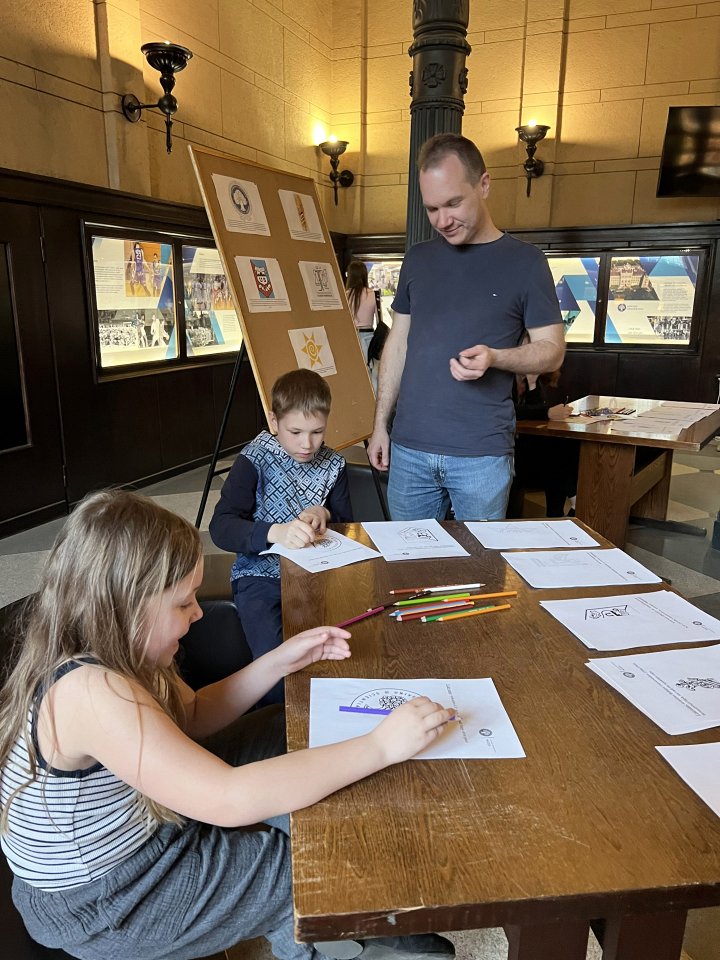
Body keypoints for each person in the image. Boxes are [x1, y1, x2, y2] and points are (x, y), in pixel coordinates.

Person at [0, 490, 455, 960]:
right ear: (127, 605)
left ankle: (344, 880)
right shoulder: (93, 691)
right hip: (107, 901)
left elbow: (193, 717)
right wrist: (380, 747)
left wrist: (277, 662)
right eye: (182, 603)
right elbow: (227, 799)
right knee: (301, 872)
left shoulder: (121, 647)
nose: (197, 612)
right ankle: (337, 933)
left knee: (281, 726)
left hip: (139, 834)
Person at [367, 133, 566, 522]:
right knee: (410, 567)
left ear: (484, 185)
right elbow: (397, 344)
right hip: (409, 450)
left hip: (482, 455)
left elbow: (552, 348)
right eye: (432, 208)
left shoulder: (526, 262)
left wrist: (496, 357)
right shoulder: (418, 259)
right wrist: (379, 426)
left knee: (480, 572)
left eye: (454, 203)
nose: (443, 220)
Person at [210, 369, 352, 705]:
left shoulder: (334, 464)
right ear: (274, 421)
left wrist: (325, 513)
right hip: (258, 575)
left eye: (318, 432)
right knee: (274, 659)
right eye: (295, 432)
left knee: (338, 643)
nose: (307, 444)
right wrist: (277, 532)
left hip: (318, 572)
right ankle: (277, 722)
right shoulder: (255, 459)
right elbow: (222, 526)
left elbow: (348, 523)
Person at [507, 367, 579, 518]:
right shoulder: (506, 378)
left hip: (524, 449)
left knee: (560, 447)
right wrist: (547, 412)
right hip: (505, 450)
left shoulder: (528, 380)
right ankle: (568, 503)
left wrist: (532, 384)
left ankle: (559, 511)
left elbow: (534, 413)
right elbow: (509, 411)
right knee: (554, 453)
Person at [345, 260, 378, 367]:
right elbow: (379, 321)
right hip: (369, 337)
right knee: (369, 369)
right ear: (365, 275)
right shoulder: (373, 294)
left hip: (350, 337)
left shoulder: (344, 296)